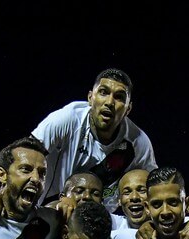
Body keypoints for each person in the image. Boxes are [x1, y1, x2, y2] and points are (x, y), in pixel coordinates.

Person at [32, 68, 156, 212]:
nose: (109, 102)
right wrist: (1, 192)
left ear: (128, 109)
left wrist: (188, 220)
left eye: (119, 97)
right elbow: (25, 155)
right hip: (49, 209)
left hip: (97, 222)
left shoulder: (138, 142)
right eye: (104, 92)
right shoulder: (68, 119)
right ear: (90, 98)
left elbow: (156, 187)